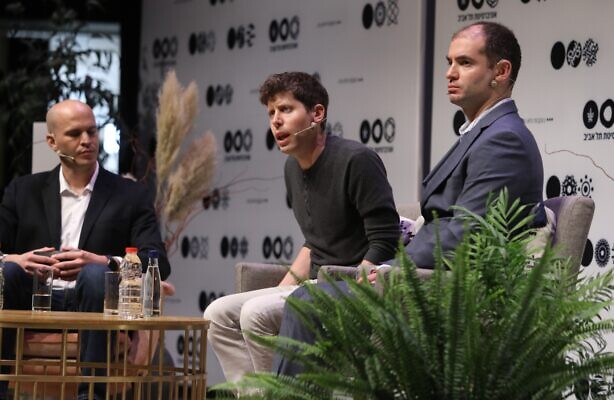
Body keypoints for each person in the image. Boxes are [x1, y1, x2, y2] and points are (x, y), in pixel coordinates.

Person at [274, 21, 545, 375]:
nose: (450, 73)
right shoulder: (480, 134)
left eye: (464, 63)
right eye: (449, 62)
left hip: (455, 289)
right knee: (299, 301)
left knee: (310, 302)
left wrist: (391, 267)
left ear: (501, 71)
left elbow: (468, 232)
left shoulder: (503, 139)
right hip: (425, 275)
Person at [204, 71, 400, 383]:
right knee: (217, 314)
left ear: (317, 114)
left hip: (349, 285)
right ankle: (255, 394)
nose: (276, 121)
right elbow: (313, 243)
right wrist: (279, 289)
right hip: (312, 284)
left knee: (255, 314)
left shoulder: (356, 160)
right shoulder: (291, 168)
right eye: (271, 113)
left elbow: (385, 237)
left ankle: (283, 393)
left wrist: (359, 283)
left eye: (285, 109)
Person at [0, 99, 170, 400]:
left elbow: (158, 260)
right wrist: (16, 258)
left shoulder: (130, 195)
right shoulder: (23, 190)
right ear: (52, 141)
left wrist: (107, 261)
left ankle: (90, 395)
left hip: (95, 300)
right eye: (75, 134)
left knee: (94, 275)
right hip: (36, 299)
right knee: (9, 271)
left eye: (92, 132)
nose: (87, 141)